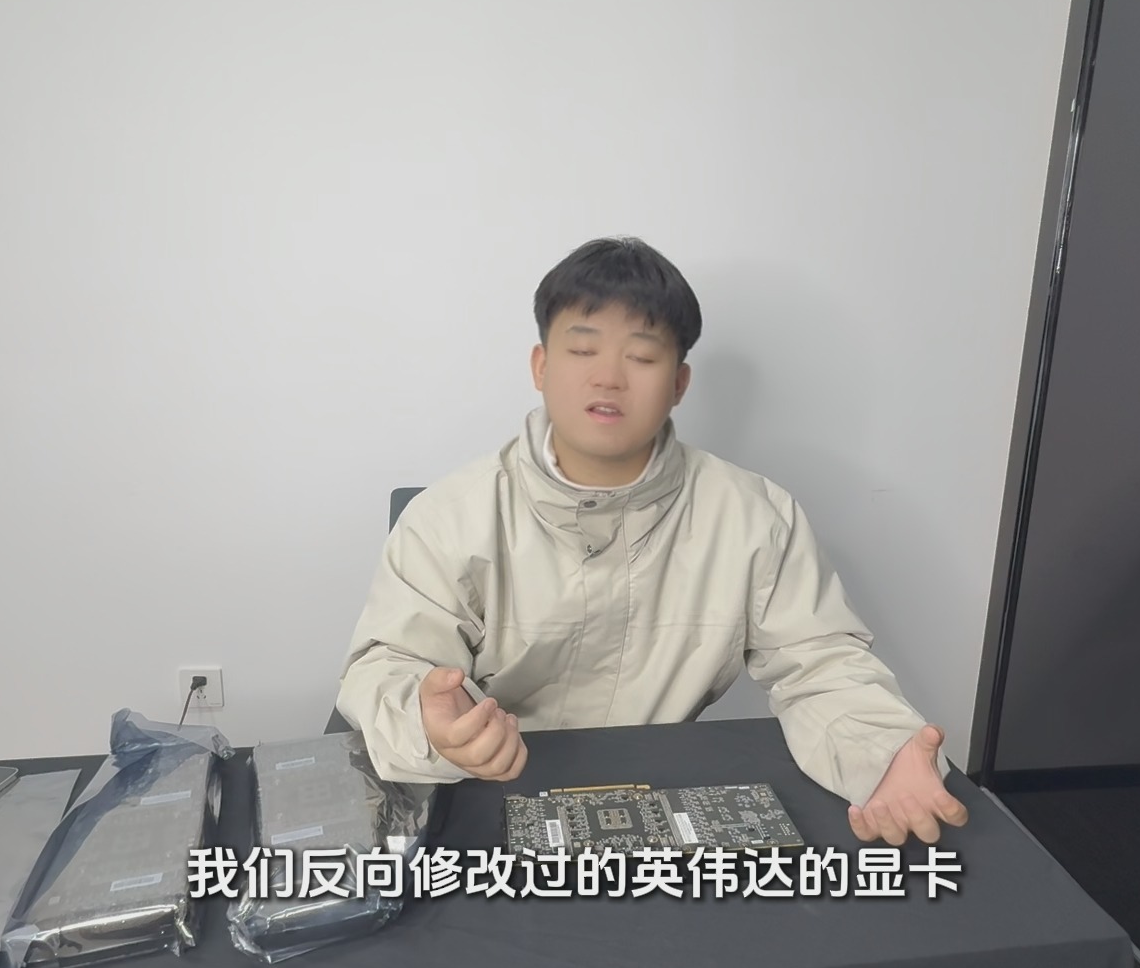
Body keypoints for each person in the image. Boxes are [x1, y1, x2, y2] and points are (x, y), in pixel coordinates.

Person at [334, 236, 968, 846]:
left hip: (665, 801)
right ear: (541, 366)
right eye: (583, 350)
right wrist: (430, 725)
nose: (609, 377)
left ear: (679, 383)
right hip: (490, 796)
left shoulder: (754, 516)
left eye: (641, 357)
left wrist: (882, 756)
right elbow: (388, 665)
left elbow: (822, 664)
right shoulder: (452, 515)